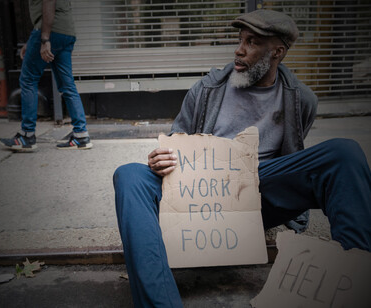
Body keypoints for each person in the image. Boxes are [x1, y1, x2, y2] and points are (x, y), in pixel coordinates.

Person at [113, 9, 371, 308]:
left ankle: (356, 281)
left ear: (277, 52)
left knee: (344, 153)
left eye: (252, 42)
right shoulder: (207, 89)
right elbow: (176, 144)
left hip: (260, 190)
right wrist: (162, 158)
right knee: (129, 174)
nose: (239, 49)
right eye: (240, 40)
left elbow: (292, 162)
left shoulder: (302, 99)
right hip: (199, 193)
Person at [0, 0, 92, 151]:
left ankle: (27, 136)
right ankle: (81, 136)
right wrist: (33, 43)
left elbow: (49, 3)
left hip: (50, 32)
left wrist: (44, 39)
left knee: (28, 79)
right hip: (66, 33)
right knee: (67, 85)